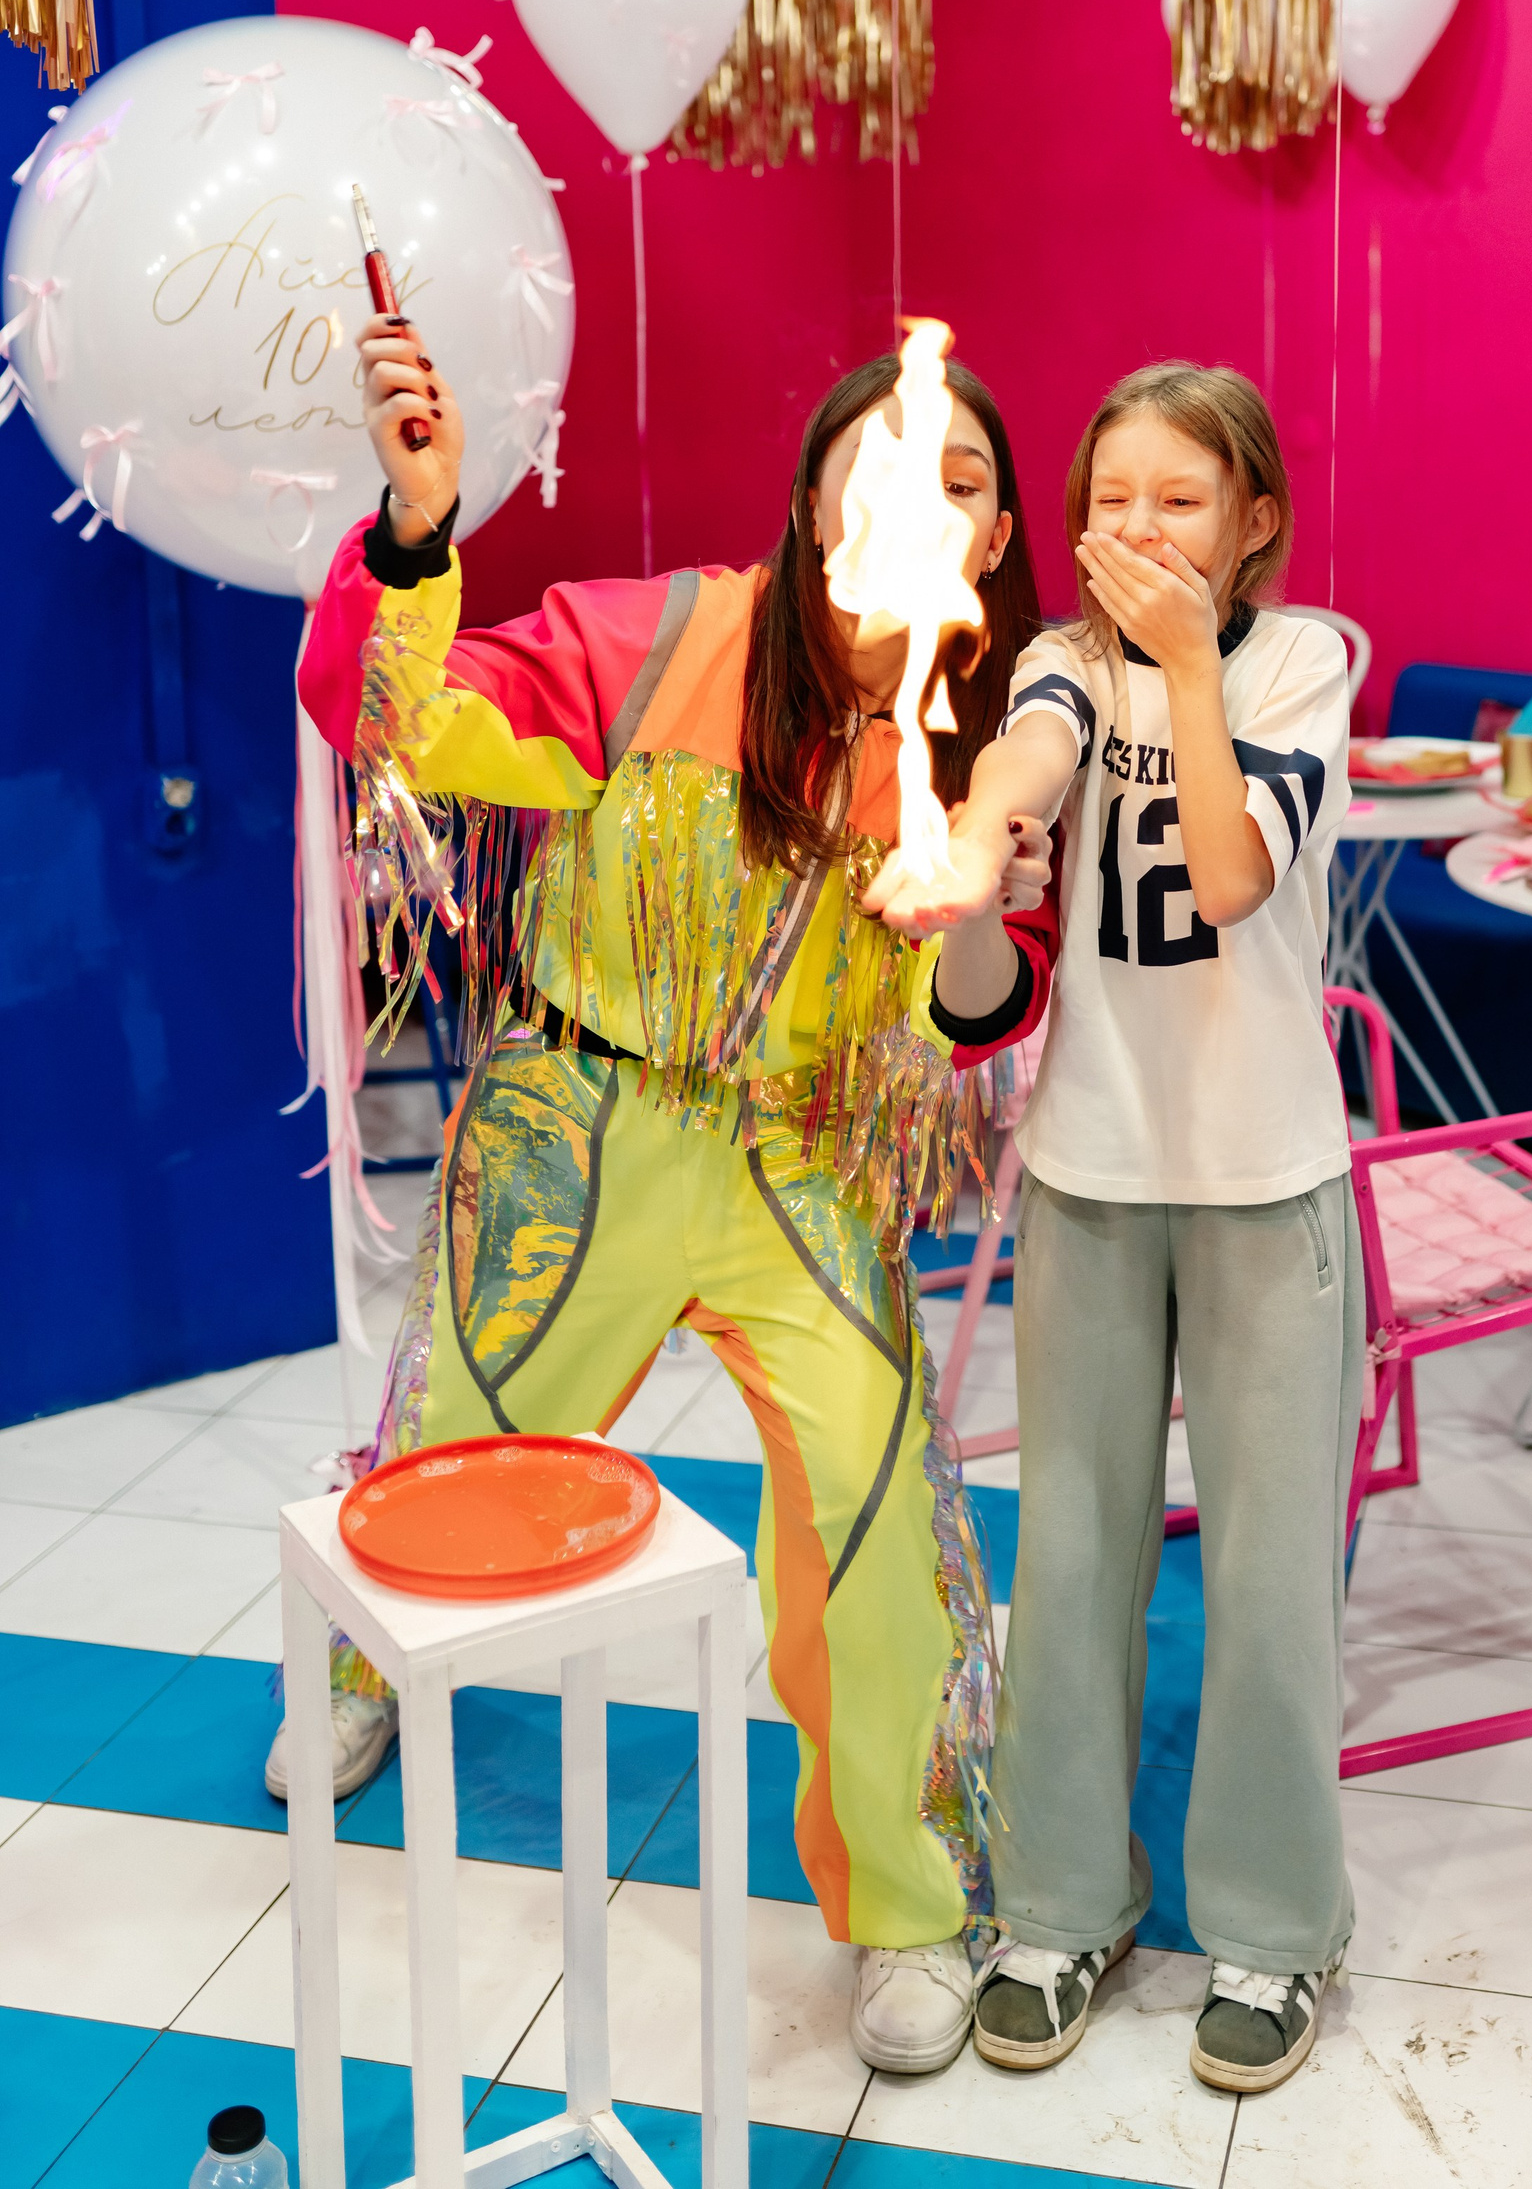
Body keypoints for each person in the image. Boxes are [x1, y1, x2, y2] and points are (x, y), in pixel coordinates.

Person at [271, 310, 1054, 2079]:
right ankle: (360, 1672)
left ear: (998, 534)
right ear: (815, 501)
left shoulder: (994, 741)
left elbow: (985, 1010)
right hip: (577, 1124)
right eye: (880, 467)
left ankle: (910, 1900)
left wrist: (976, 909)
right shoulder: (666, 634)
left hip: (802, 1162)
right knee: (448, 1433)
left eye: (958, 482)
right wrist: (416, 531)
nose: (918, 503)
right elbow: (392, 723)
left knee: (879, 1508)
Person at [870, 361, 1362, 2096]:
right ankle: (1063, 1901)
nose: (1139, 530)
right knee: (1071, 1557)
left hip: (1267, 1183)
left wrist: (1189, 668)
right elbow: (1033, 752)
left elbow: (1230, 873)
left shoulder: (1303, 664)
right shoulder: (1063, 663)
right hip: (1090, 1172)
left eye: (1181, 500)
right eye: (1113, 501)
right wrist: (985, 826)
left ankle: (1277, 1927)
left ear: (1253, 522)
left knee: (1270, 1576)